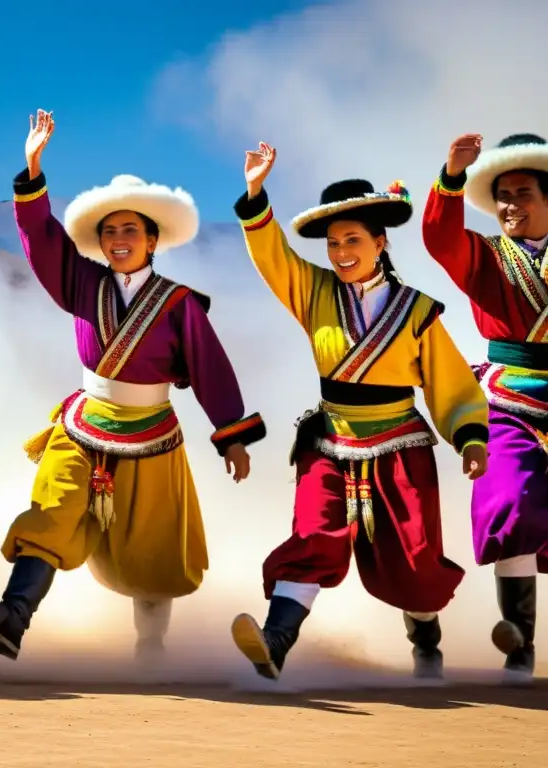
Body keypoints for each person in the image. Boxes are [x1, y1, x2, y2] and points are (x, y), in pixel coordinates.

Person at [0, 109, 266, 661]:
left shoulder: (180, 305)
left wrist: (232, 433)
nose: (119, 238)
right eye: (109, 231)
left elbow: (210, 368)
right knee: (50, 508)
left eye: (130, 229)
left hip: (153, 433)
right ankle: (13, 616)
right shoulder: (82, 283)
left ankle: (151, 646)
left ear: (153, 239)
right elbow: (40, 239)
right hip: (83, 423)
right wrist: (32, 169)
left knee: (151, 544)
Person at [230, 142, 489, 681]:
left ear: (380, 242)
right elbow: (273, 257)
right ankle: (275, 642)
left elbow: (450, 379)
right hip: (329, 441)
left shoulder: (416, 310)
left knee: (415, 563)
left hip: (400, 443)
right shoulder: (314, 292)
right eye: (333, 243)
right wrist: (256, 194)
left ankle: (425, 636)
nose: (341, 251)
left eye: (353, 240)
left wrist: (469, 436)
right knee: (313, 537)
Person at [421, 132, 548, 679]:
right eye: (502, 196)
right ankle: (519, 643)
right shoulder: (485, 257)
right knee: (510, 501)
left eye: (523, 194)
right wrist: (451, 175)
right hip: (507, 397)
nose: (510, 206)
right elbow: (438, 237)